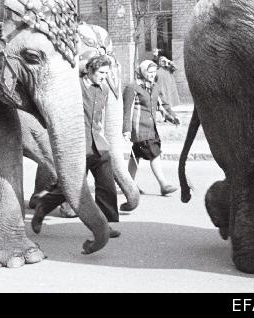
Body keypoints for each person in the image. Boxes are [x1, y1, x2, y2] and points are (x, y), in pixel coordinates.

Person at [31, 54, 121, 238]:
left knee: (107, 187)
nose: (104, 76)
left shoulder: (103, 89)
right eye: (101, 72)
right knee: (69, 188)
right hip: (77, 145)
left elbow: (98, 117)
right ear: (89, 70)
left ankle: (105, 226)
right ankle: (43, 207)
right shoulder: (74, 87)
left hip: (99, 145)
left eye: (106, 73)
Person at [123, 60, 179, 196]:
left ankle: (128, 186)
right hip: (140, 128)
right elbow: (127, 110)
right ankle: (163, 184)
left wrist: (172, 117)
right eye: (149, 72)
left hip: (151, 127)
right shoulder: (133, 87)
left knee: (135, 155)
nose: (152, 75)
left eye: (154, 72)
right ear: (142, 72)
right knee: (155, 153)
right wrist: (126, 130)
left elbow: (161, 105)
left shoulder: (154, 86)